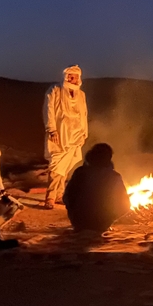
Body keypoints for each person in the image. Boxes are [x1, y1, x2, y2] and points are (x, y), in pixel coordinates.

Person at [43, 65, 88, 209]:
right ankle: (49, 197)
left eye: (74, 76)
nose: (71, 78)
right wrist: (51, 129)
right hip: (59, 133)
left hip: (75, 134)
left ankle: (59, 195)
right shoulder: (55, 90)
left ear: (78, 78)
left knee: (66, 167)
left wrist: (84, 133)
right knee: (56, 165)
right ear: (64, 76)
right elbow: (48, 110)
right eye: (69, 75)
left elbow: (84, 114)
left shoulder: (81, 94)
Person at [63, 143, 130, 234]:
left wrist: (74, 212)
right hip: (101, 224)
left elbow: (67, 197)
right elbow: (125, 205)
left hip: (78, 221)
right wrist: (110, 217)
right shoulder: (114, 176)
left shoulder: (80, 172)